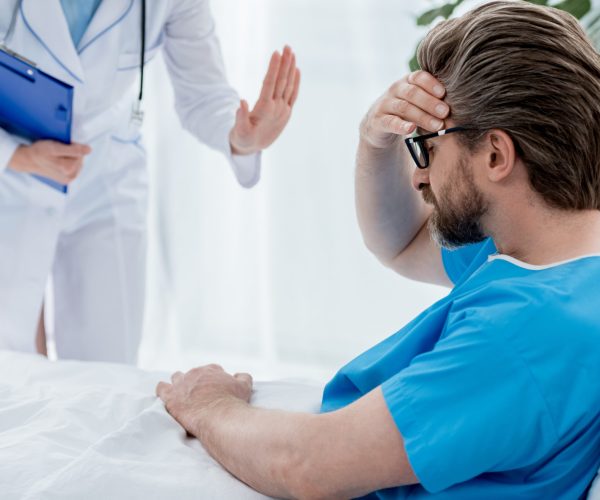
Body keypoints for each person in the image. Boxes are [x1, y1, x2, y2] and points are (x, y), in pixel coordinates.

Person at [155, 1, 600, 498]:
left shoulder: (525, 332)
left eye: (426, 148)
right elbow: (402, 243)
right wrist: (375, 138)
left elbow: (308, 465)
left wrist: (207, 404)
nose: (420, 175)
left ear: (496, 154)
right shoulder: (553, 257)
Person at [0, 0, 300, 363]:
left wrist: (240, 138)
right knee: (12, 367)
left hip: (106, 181)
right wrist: (14, 155)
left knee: (106, 371)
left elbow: (203, 96)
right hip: (9, 179)